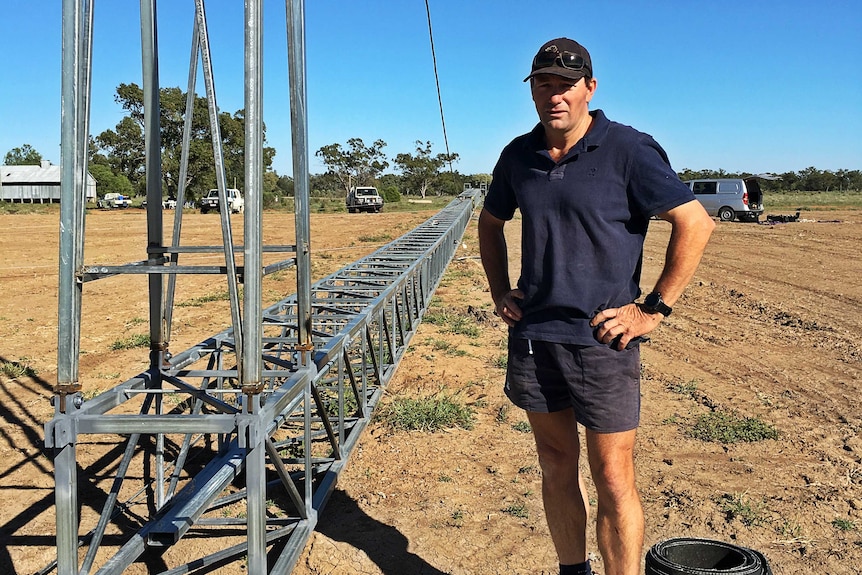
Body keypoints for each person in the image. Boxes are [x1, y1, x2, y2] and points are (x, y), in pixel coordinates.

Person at [478, 38, 715, 575]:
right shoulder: (518, 155)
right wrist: (499, 289)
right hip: (536, 338)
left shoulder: (629, 149)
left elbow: (695, 223)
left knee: (612, 475)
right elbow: (490, 224)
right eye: (543, 84)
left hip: (603, 341)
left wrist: (652, 309)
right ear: (533, 91)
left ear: (589, 88)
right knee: (556, 463)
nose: (553, 95)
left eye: (565, 85)